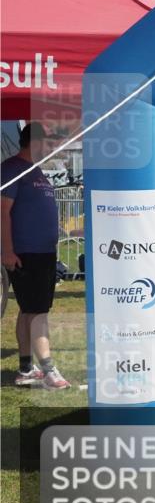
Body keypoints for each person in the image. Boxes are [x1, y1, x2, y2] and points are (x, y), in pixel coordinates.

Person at [1, 123, 70, 390]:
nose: (51, 148)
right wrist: (6, 250)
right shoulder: (12, 169)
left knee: (29, 311)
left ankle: (26, 368)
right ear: (34, 142)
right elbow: (2, 212)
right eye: (48, 143)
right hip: (26, 252)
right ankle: (49, 369)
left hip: (42, 252)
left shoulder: (35, 170)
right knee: (38, 311)